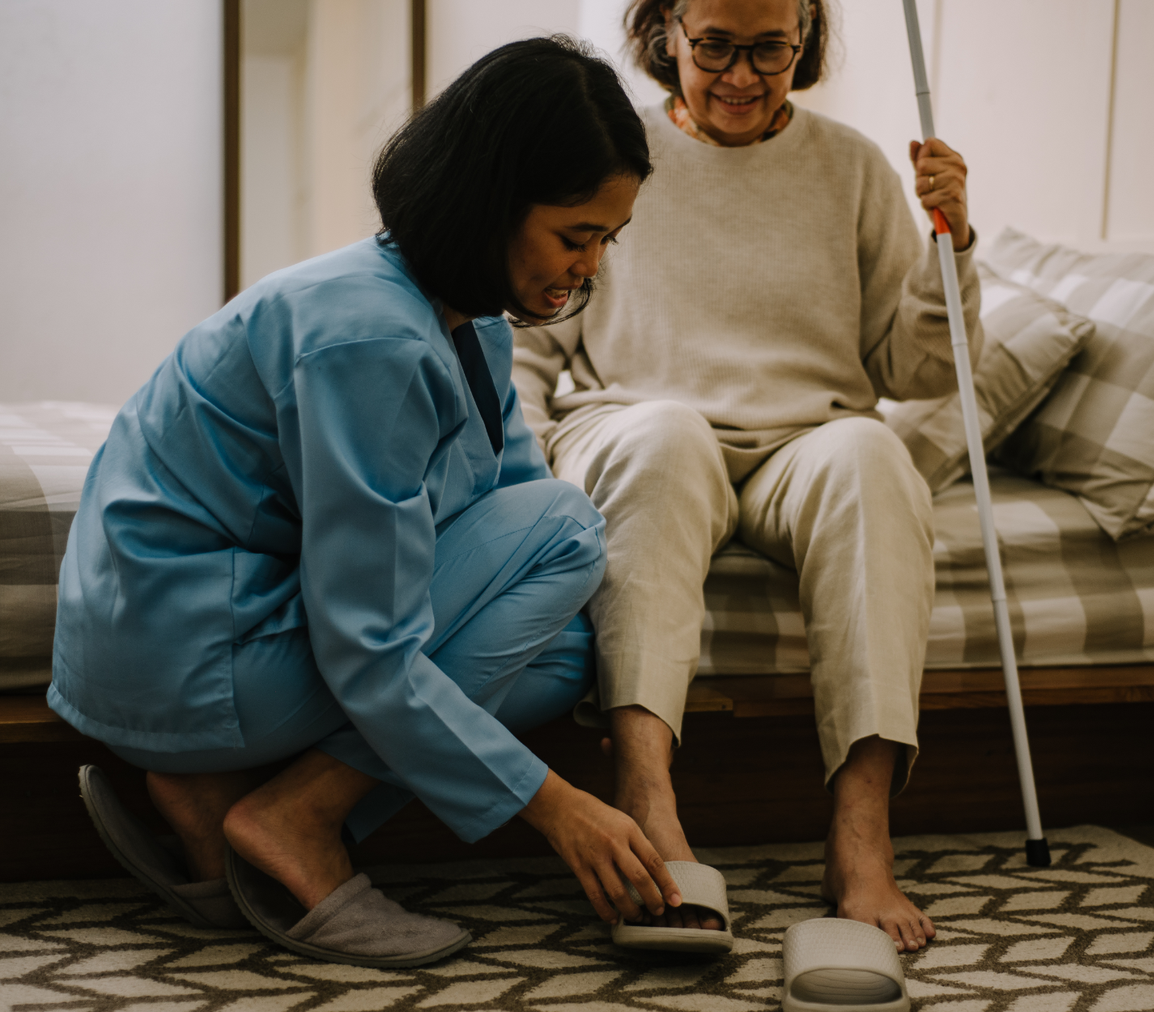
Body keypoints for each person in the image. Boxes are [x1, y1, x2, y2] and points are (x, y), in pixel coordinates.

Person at [49, 36, 683, 968]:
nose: (589, 268)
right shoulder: (368, 338)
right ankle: (292, 819)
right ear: (491, 205)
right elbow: (373, 638)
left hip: (195, 637)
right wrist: (557, 806)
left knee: (565, 652)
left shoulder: (465, 327)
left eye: (604, 241)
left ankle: (245, 802)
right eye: (575, 235)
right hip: (180, 648)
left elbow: (501, 510)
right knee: (568, 528)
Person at [512, 0, 982, 953]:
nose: (739, 75)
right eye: (715, 46)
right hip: (637, 421)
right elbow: (531, 331)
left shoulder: (850, 166)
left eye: (769, 48)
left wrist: (953, 243)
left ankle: (861, 840)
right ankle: (649, 802)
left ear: (803, 39)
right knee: (670, 438)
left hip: (805, 438)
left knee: (875, 453)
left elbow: (921, 372)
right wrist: (515, 470)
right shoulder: (618, 150)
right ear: (667, 33)